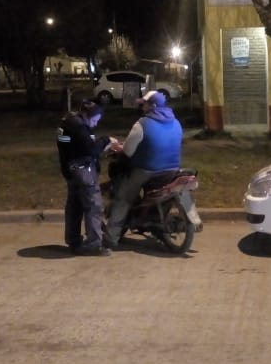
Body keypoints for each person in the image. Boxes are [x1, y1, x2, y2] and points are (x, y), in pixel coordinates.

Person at [105, 89, 202, 248]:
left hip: (145, 169)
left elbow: (128, 151)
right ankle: (155, 220)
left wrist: (120, 147)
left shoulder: (142, 124)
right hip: (171, 170)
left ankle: (111, 238)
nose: (142, 107)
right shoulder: (176, 122)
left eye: (145, 104)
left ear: (153, 106)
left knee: (124, 197)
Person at [57, 99, 116, 256]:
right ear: (85, 115)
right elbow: (90, 148)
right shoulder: (78, 127)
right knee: (93, 206)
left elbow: (76, 147)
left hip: (71, 169)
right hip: (82, 170)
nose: (95, 124)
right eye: (95, 120)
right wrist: (106, 140)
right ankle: (94, 244)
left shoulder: (68, 123)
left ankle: (74, 241)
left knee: (75, 206)